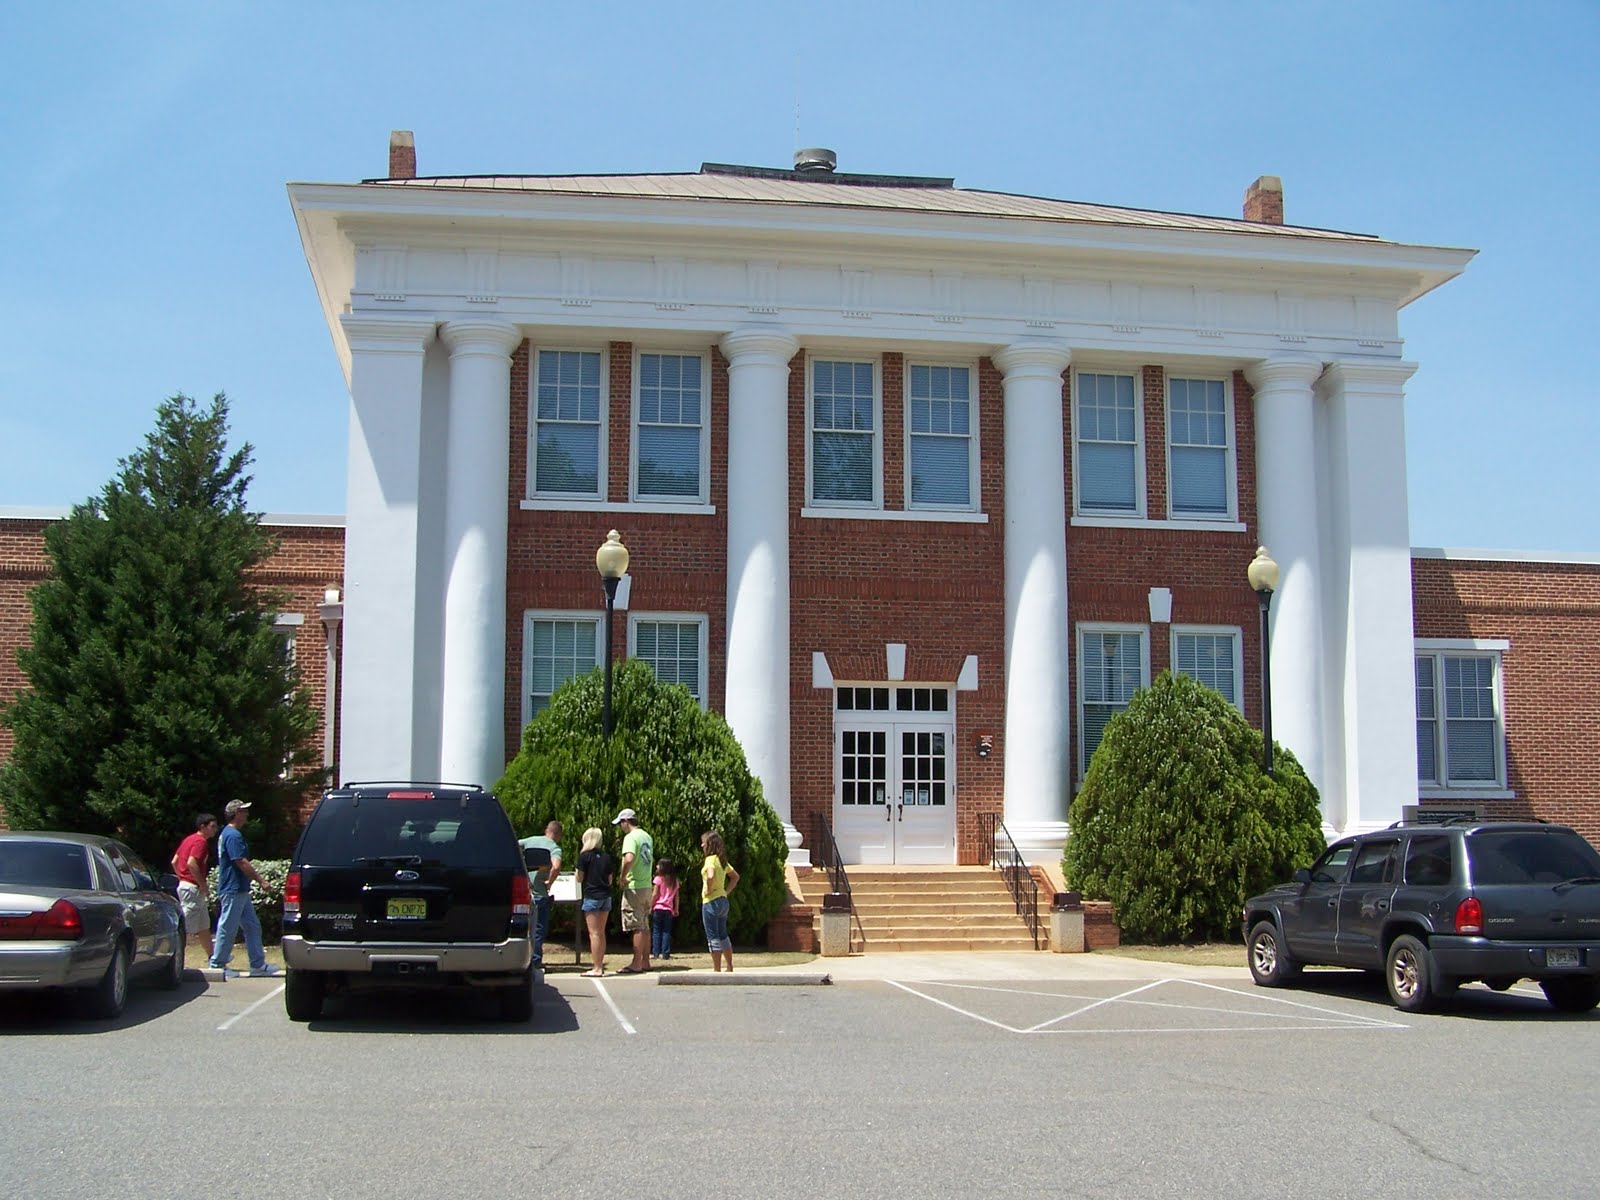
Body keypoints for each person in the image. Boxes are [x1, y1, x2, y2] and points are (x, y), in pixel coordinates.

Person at [209, 800, 279, 979]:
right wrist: (261, 880)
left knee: (252, 925)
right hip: (233, 888)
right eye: (244, 811)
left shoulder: (230, 834)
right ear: (236, 813)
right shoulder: (232, 835)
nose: (247, 814)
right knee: (228, 926)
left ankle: (257, 964)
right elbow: (240, 861)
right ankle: (218, 964)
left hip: (240, 888)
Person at [170, 813, 219, 962]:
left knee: (203, 926)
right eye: (212, 826)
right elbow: (192, 863)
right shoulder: (200, 842)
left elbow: (174, 862)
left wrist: (182, 878)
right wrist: (201, 884)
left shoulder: (188, 840)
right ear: (202, 827)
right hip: (193, 888)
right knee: (186, 929)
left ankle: (212, 957)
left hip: (188, 886)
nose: (215, 830)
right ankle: (175, 962)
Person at [612, 808, 654, 974]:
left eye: (621, 823)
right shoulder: (646, 836)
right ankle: (645, 961)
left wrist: (622, 876)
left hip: (635, 885)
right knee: (644, 924)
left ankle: (636, 963)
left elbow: (629, 858)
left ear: (625, 822)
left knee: (636, 925)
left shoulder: (630, 837)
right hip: (646, 885)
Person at [518, 819, 563, 965]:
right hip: (540, 894)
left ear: (546, 830)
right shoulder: (554, 848)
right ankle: (536, 960)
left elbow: (513, 844)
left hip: (525, 892)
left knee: (526, 928)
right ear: (559, 835)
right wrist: (550, 881)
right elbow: (556, 866)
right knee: (538, 930)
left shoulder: (530, 840)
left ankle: (522, 958)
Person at [575, 826, 613, 978]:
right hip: (606, 895)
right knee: (601, 933)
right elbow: (610, 879)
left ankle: (597, 967)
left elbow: (579, 877)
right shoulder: (606, 857)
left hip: (592, 895)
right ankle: (600, 965)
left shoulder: (584, 856)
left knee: (594, 933)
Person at [699, 831, 740, 973]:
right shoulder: (722, 861)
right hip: (723, 900)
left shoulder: (710, 859)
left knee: (713, 937)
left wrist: (709, 889)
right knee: (723, 934)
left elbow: (710, 876)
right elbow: (735, 877)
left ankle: (716, 969)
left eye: (703, 842)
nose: (701, 845)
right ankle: (729, 966)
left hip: (710, 901)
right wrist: (726, 891)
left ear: (709, 844)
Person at [649, 858, 679, 961]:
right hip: (669, 909)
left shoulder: (658, 879)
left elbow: (655, 894)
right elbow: (676, 896)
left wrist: (650, 905)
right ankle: (665, 953)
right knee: (666, 931)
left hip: (658, 907)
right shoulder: (674, 881)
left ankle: (655, 953)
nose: (656, 866)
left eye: (658, 865)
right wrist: (676, 908)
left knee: (656, 931)